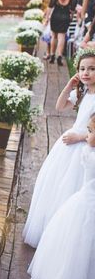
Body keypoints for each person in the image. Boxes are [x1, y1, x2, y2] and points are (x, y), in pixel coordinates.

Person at [23, 49, 95, 247]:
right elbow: (59, 106)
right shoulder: (83, 92)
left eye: (92, 68)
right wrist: (69, 85)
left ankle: (69, 240)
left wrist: (79, 136)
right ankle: (51, 234)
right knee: (58, 185)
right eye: (82, 69)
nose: (86, 72)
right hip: (70, 144)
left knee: (74, 189)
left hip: (85, 145)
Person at [28, 112, 95, 279]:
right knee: (81, 246)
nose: (87, 135)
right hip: (86, 202)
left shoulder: (89, 155)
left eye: (91, 132)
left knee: (79, 244)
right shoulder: (89, 155)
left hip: (85, 203)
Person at [44, 0, 77, 66]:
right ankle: (59, 56)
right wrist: (71, 17)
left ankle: (52, 55)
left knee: (54, 36)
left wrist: (47, 18)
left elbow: (50, 7)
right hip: (65, 16)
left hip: (55, 16)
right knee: (61, 37)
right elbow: (73, 10)